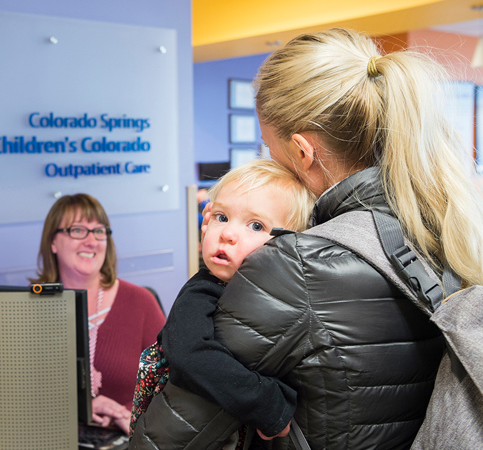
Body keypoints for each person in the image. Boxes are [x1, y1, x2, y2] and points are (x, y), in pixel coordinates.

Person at [132, 28, 483, 449]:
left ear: (302, 151)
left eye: (268, 147)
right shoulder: (444, 227)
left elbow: (171, 435)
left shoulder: (297, 264)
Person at [129, 160, 315, 447]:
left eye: (255, 225)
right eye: (222, 217)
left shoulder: (281, 294)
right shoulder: (203, 290)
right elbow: (191, 353)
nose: (227, 234)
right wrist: (266, 403)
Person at [31, 193, 166, 433]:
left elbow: (172, 383)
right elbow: (15, 393)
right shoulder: (29, 310)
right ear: (53, 241)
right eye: (78, 230)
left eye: (99, 231)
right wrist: (78, 407)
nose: (91, 241)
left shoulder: (140, 302)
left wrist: (133, 415)